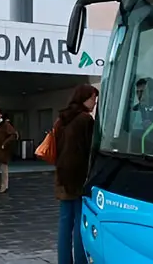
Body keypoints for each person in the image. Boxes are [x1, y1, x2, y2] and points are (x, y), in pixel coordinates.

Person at [54, 84, 99, 264]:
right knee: (82, 224)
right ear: (84, 98)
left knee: (65, 223)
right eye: (93, 98)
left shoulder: (61, 120)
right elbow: (91, 149)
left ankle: (64, 260)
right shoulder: (85, 120)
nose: (95, 103)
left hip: (62, 175)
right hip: (80, 177)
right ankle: (81, 260)